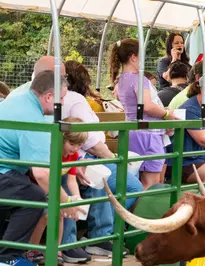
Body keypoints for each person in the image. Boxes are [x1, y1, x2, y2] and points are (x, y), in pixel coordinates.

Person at [0, 71, 83, 266]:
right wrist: (67, 201)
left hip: (7, 170)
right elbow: (43, 173)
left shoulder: (17, 100)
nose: (62, 104)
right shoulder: (33, 119)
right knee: (34, 196)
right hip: (4, 172)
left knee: (20, 191)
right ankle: (7, 258)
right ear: (48, 97)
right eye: (61, 98)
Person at [62, 61, 142, 260]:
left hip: (83, 155)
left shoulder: (73, 100)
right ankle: (100, 235)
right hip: (88, 156)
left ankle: (101, 233)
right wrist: (114, 159)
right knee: (126, 185)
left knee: (106, 181)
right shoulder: (77, 101)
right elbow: (88, 139)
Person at [109, 38, 177, 190]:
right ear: (133, 57)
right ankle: (143, 212)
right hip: (148, 134)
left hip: (133, 132)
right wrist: (166, 114)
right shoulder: (139, 79)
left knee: (135, 180)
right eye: (141, 56)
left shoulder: (121, 80)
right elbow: (146, 105)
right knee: (150, 183)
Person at [26, 116, 88, 266]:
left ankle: (56, 249)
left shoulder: (73, 155)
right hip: (36, 186)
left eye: (79, 145)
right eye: (72, 143)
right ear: (62, 138)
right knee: (46, 214)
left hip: (53, 187)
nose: (75, 148)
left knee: (60, 214)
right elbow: (41, 176)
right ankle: (32, 249)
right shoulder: (51, 151)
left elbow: (71, 179)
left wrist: (77, 199)